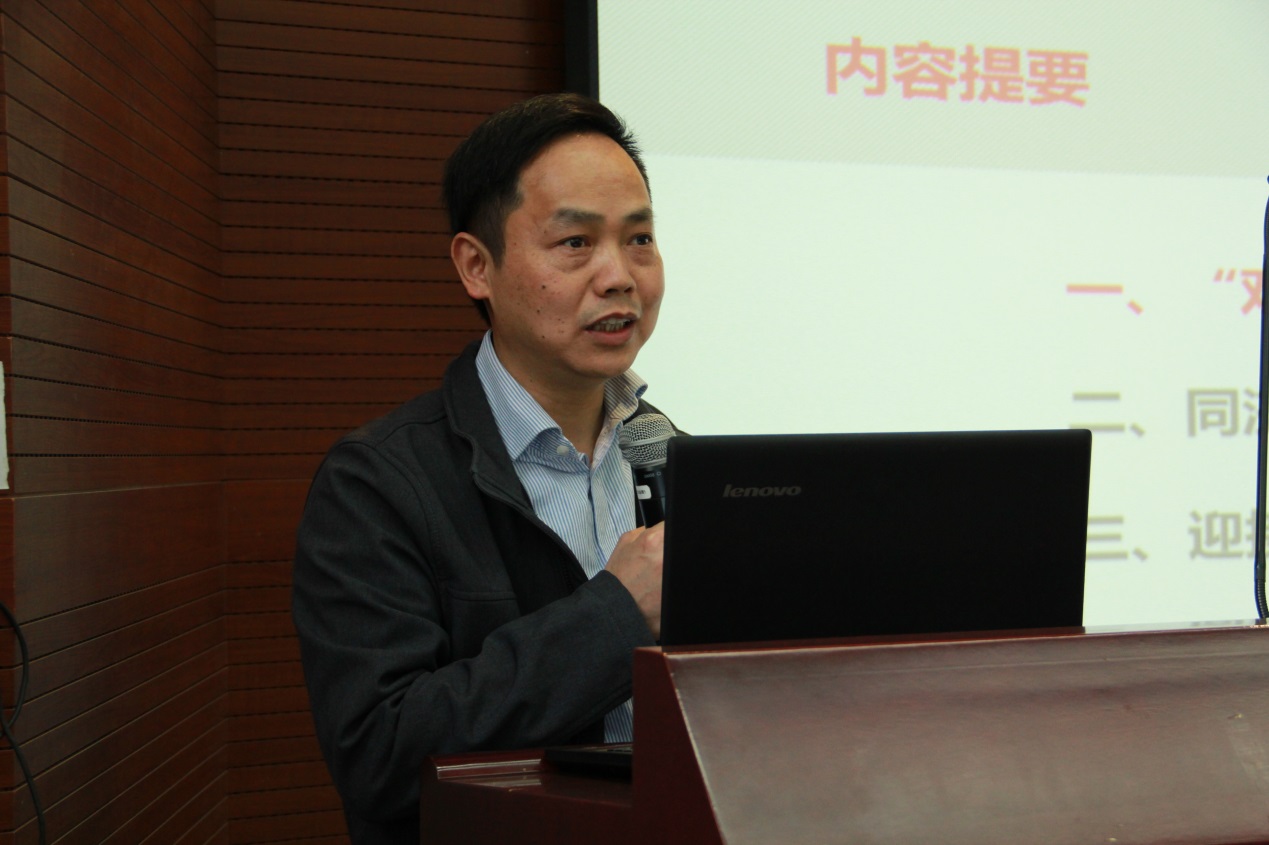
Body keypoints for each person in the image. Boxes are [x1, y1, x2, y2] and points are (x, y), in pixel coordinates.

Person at [291, 92, 676, 844]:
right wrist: (616, 616)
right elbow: (380, 754)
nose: (619, 276)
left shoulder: (674, 458)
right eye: (575, 243)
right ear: (476, 266)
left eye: (639, 239)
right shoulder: (378, 483)